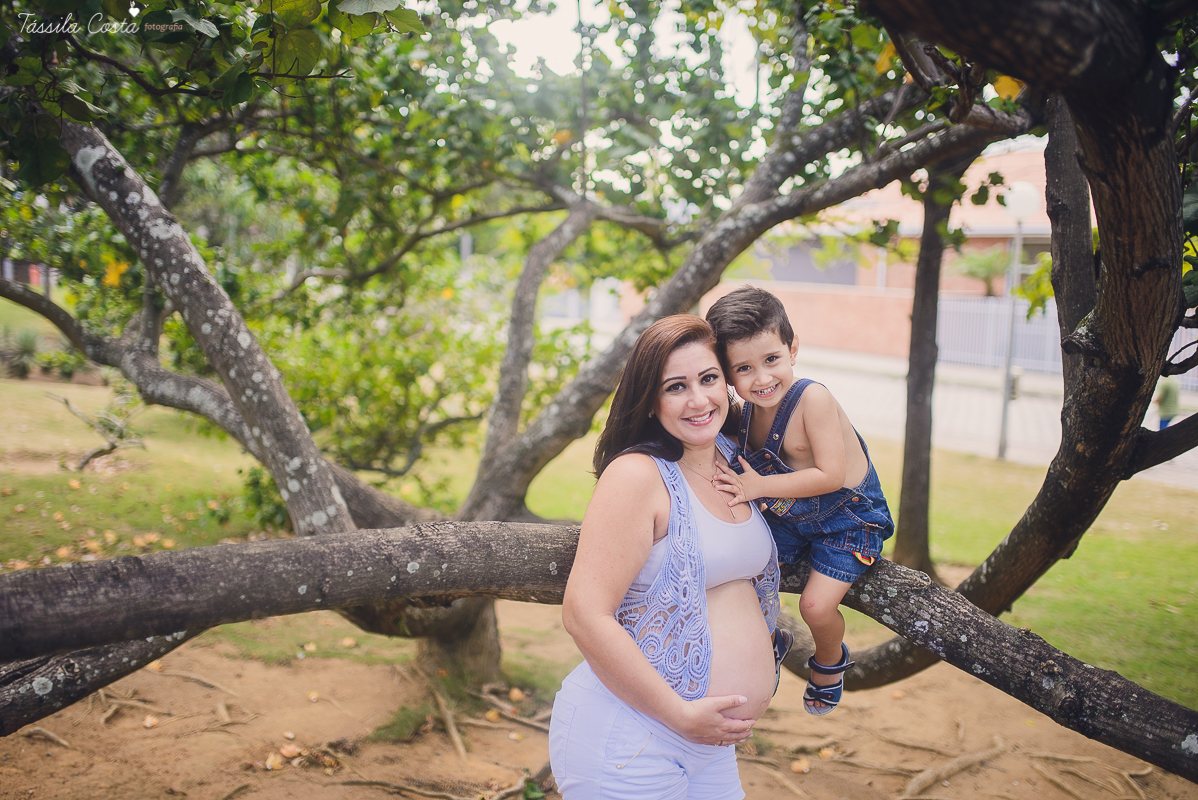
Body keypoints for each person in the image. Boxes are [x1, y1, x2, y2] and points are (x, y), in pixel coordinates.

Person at [550, 315, 789, 799]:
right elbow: (583, 614)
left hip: (710, 746)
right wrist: (678, 713)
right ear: (651, 402)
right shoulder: (638, 476)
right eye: (676, 387)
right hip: (634, 736)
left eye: (708, 379)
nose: (699, 400)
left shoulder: (735, 457)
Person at [705, 286, 894, 716]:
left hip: (848, 522)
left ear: (792, 349)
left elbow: (828, 474)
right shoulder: (747, 413)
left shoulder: (813, 399)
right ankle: (765, 644)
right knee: (740, 573)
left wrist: (758, 488)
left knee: (815, 605)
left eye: (771, 359)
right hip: (793, 518)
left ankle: (830, 661)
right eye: (744, 369)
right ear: (728, 375)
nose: (762, 378)